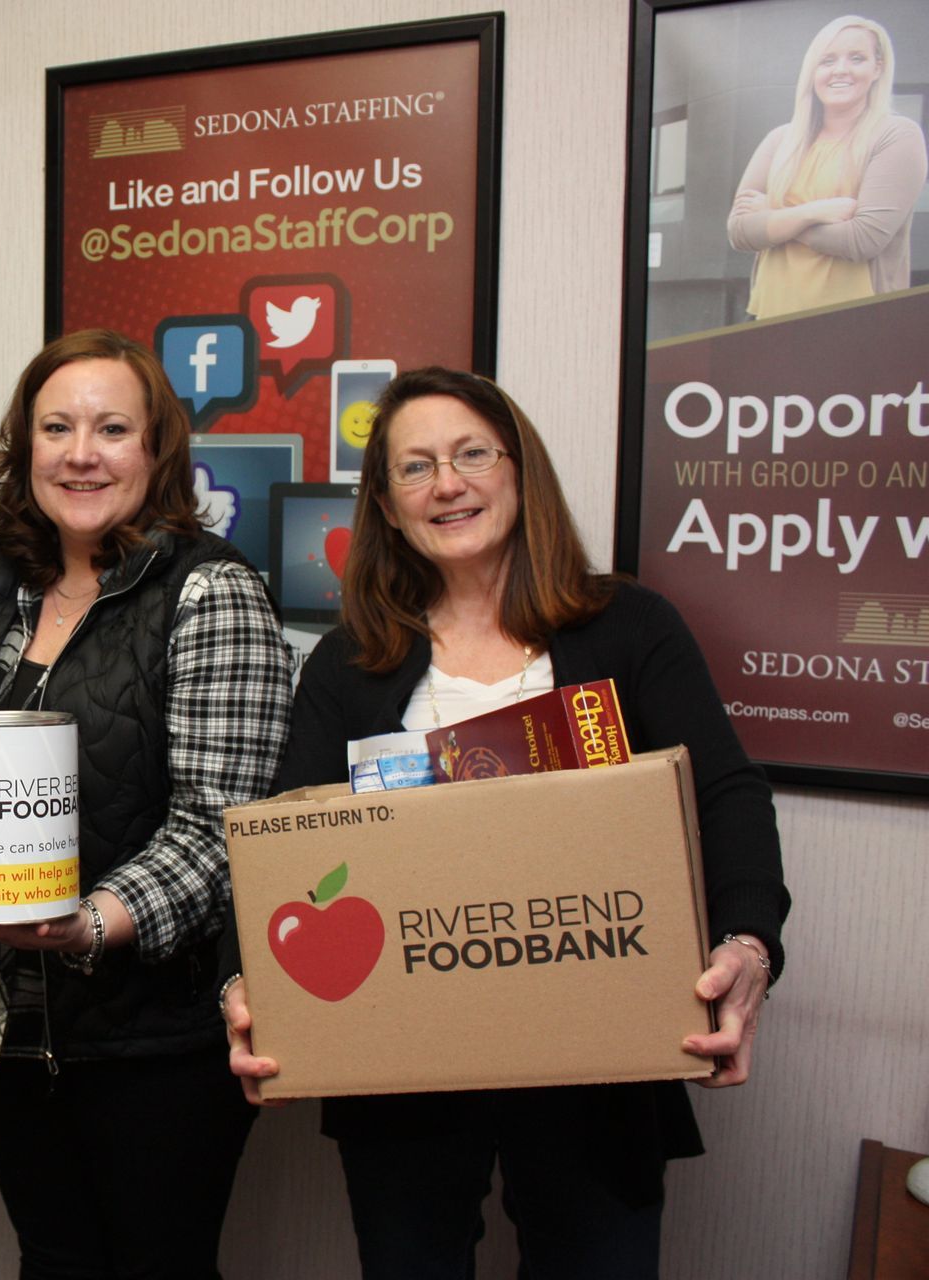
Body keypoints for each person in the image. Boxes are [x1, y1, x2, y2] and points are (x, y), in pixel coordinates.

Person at [222, 367, 791, 1278]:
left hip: (600, 1061)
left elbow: (726, 793)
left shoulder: (629, 626)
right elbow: (285, 842)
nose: (447, 484)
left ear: (519, 469)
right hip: (403, 1069)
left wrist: (749, 944)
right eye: (414, 468)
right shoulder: (349, 665)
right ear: (388, 506)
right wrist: (243, 985)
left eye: (471, 454)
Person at [0, 330, 292, 1278]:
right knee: (54, 1258)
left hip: (152, 1031)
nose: (81, 452)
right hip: (2, 1013)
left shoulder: (211, 592)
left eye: (113, 429)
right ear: (25, 450)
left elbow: (222, 832)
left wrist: (90, 924)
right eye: (56, 427)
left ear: (156, 451)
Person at [727, 15, 927, 320]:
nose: (841, 70)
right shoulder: (779, 139)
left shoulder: (897, 135)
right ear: (812, 70)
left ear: (878, 67)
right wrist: (811, 213)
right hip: (768, 322)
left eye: (857, 58)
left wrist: (775, 215)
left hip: (856, 328)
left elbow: (862, 240)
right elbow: (740, 231)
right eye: (827, 60)